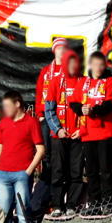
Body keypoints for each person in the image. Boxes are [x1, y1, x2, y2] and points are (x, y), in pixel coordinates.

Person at [70, 52, 112, 215]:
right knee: (91, 170)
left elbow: (110, 104)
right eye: (95, 65)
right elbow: (73, 102)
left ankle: (107, 203)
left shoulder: (110, 81)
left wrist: (94, 110)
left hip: (104, 132)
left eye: (101, 65)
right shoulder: (83, 82)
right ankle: (94, 204)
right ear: (90, 66)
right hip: (87, 133)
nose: (98, 68)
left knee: (105, 169)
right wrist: (81, 109)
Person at [0, 91, 45, 223]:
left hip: (22, 174)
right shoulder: (4, 122)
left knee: (23, 213)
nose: (5, 109)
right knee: (3, 214)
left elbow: (40, 149)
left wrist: (28, 171)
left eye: (8, 105)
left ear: (17, 104)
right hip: (3, 174)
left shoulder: (31, 122)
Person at [43, 47, 85, 216]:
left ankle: (71, 205)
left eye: (74, 61)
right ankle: (58, 205)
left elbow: (88, 110)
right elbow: (49, 110)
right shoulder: (55, 82)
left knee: (76, 172)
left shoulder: (85, 82)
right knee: (58, 171)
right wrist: (58, 129)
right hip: (59, 135)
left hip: (78, 136)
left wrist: (82, 130)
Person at [35, 37, 71, 174]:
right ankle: (48, 183)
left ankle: (62, 181)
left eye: (64, 48)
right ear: (54, 50)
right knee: (48, 152)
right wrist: (40, 116)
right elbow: (39, 93)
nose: (62, 51)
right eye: (59, 48)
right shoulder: (45, 72)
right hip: (46, 116)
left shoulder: (69, 70)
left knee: (62, 151)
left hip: (62, 116)